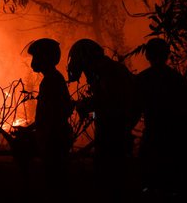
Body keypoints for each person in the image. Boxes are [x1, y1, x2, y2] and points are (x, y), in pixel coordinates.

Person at [67, 38, 139, 201]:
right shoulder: (107, 70)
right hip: (115, 133)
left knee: (110, 179)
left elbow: (110, 102)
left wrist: (86, 105)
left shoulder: (107, 73)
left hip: (114, 136)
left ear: (87, 59)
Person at [135, 38, 187, 201]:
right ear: (166, 55)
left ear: (147, 55)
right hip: (176, 137)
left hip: (154, 136)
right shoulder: (177, 79)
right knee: (172, 181)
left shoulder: (143, 79)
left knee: (149, 180)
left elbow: (132, 108)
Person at [25, 38, 74, 201]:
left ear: (45, 58)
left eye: (36, 56)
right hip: (55, 137)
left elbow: (53, 114)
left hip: (54, 139)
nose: (34, 61)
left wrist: (39, 131)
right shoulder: (52, 79)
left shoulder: (51, 81)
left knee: (55, 184)